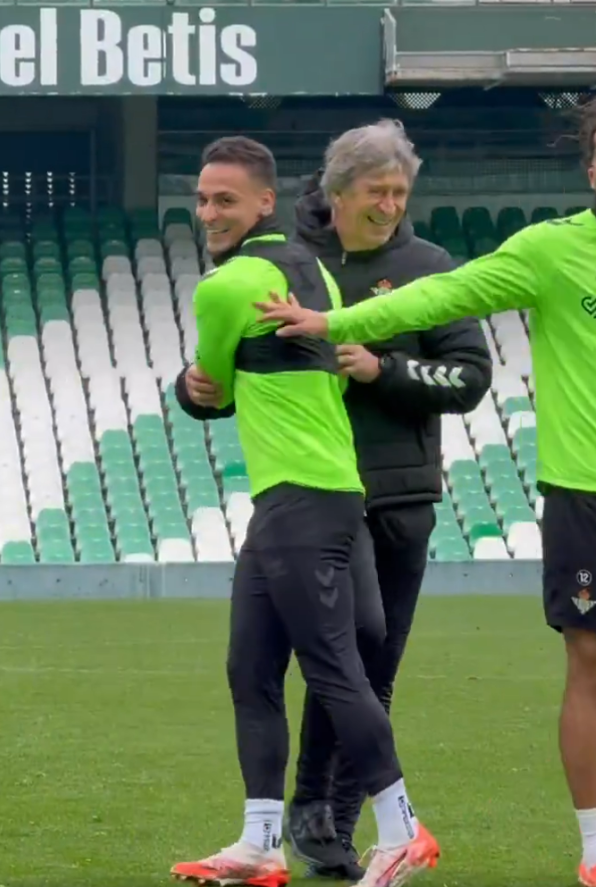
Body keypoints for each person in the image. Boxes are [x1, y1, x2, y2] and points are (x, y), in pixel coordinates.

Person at [254, 95, 596, 887]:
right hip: (585, 494)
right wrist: (332, 325)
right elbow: (444, 296)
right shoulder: (548, 248)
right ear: (591, 171)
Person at [168, 136, 440, 887]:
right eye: (201, 199)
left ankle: (401, 829)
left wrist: (201, 384)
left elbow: (211, 386)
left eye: (225, 199)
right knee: (250, 666)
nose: (208, 212)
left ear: (265, 202)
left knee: (332, 669)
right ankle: (260, 840)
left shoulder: (225, 288)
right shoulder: (314, 271)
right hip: (324, 497)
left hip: (299, 500)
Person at [281, 121, 492, 880]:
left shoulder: (429, 268)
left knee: (377, 659)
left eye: (401, 192)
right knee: (343, 652)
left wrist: (383, 369)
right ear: (338, 192)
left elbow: (469, 377)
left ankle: (326, 819)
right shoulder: (294, 266)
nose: (392, 206)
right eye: (378, 192)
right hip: (320, 490)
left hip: (402, 493)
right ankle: (318, 812)